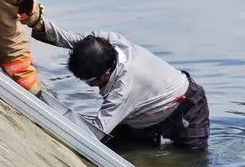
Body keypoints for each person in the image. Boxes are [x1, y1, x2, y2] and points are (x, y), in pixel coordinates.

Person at [30, 17, 209, 151]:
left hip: (185, 107)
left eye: (90, 82)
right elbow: (73, 40)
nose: (90, 86)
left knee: (188, 160)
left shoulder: (122, 89)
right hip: (145, 109)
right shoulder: (107, 41)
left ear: (105, 74)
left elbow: (95, 133)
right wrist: (39, 24)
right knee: (122, 147)